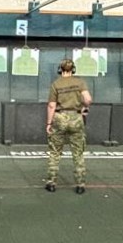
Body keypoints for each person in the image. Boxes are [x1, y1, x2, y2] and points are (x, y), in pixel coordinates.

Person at [45, 59, 92, 194]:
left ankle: (51, 183)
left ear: (60, 70)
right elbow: (88, 99)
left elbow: (52, 105)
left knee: (55, 152)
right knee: (78, 153)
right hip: (76, 118)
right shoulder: (80, 82)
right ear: (73, 70)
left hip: (60, 118)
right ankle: (80, 184)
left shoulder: (56, 84)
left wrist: (49, 123)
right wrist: (84, 108)